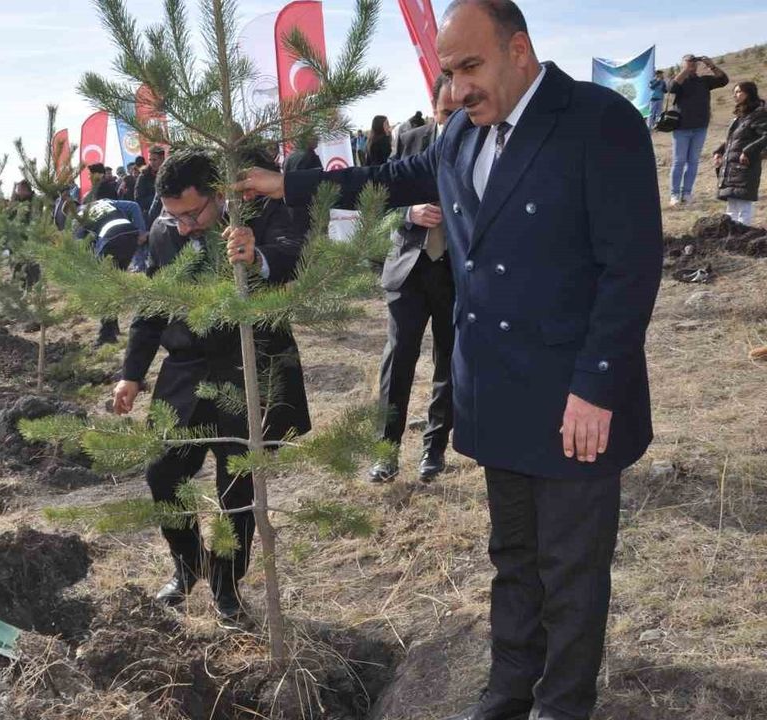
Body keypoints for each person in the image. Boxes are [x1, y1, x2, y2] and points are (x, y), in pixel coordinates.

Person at [236, 2, 662, 717]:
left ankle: (561, 705)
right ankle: (507, 691)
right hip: (498, 391)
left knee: (572, 571)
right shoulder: (462, 134)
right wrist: (286, 185)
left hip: (572, 398)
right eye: (448, 72)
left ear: (519, 50)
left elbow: (632, 268)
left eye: (470, 67)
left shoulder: (596, 122)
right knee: (513, 560)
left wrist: (597, 386)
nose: (458, 88)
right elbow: (388, 178)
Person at [114, 147, 310, 622]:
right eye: (172, 215)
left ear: (218, 194)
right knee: (164, 476)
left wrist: (257, 257)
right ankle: (188, 567)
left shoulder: (263, 212)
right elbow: (154, 307)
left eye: (190, 214)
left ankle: (226, 586)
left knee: (236, 490)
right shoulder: (165, 232)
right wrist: (132, 374)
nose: (181, 225)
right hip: (186, 371)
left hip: (250, 366)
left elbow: (295, 255)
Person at [370, 73, 463, 484]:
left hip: (455, 274)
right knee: (399, 359)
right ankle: (386, 453)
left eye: (461, 112)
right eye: (447, 113)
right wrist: (409, 213)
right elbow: (382, 201)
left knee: (449, 359)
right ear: (433, 108)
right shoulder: (410, 141)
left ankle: (434, 448)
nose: (455, 120)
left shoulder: (484, 144)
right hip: (408, 269)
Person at [74, 197, 148, 345]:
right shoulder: (104, 202)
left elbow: (81, 246)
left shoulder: (78, 216)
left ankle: (106, 335)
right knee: (113, 284)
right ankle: (113, 326)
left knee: (104, 288)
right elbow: (134, 205)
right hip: (129, 234)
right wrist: (141, 231)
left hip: (111, 239)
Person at [668, 53, 729, 205]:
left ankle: (687, 193)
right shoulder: (679, 80)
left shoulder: (704, 81)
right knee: (679, 161)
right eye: (688, 62)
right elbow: (671, 88)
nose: (692, 65)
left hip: (700, 127)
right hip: (681, 128)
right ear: (682, 65)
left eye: (694, 63)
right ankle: (674, 195)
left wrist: (711, 65)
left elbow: (723, 80)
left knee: (693, 161)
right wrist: (685, 70)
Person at [713, 81, 767, 226]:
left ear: (748, 93)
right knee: (732, 207)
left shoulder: (759, 113)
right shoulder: (740, 116)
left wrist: (748, 151)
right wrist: (719, 151)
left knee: (743, 206)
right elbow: (734, 140)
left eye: (739, 92)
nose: (735, 95)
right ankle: (732, 240)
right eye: (734, 92)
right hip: (732, 167)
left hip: (746, 165)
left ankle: (744, 238)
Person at [134, 146, 166, 226]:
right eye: (150, 160)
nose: (152, 163)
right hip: (152, 217)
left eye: (154, 160)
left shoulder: (170, 173)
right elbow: (138, 199)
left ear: (162, 159)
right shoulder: (144, 175)